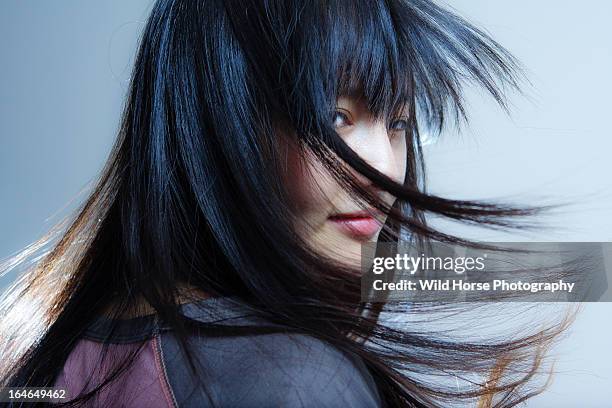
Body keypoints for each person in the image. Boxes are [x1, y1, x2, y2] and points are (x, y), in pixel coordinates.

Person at [0, 0, 570, 406]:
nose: (384, 174)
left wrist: (573, 269)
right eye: (334, 116)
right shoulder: (293, 377)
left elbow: (543, 272)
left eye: (398, 122)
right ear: (216, 123)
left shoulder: (34, 355)